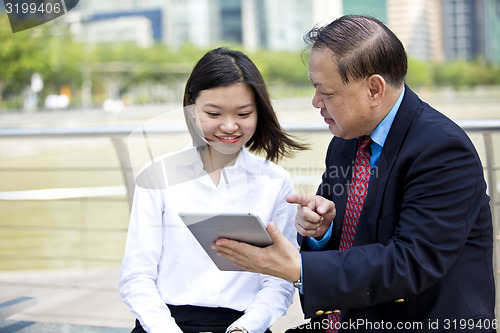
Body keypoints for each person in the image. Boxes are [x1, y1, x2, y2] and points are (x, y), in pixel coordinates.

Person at [213, 15, 495, 332]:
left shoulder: (442, 151)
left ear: (374, 88)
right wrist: (321, 233)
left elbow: (410, 262)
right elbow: (351, 241)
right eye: (314, 88)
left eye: (327, 92)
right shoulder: (346, 142)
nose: (315, 102)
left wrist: (299, 267)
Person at [119, 47, 307, 333]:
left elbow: (279, 280)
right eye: (213, 113)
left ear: (259, 111)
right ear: (191, 108)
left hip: (244, 326)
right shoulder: (157, 177)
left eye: (243, 113)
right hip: (164, 325)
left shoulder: (274, 181)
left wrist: (245, 328)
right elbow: (136, 277)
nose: (229, 126)